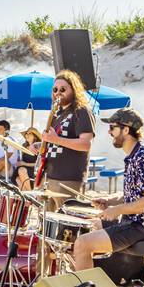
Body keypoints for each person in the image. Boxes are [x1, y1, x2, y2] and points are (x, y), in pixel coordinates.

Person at [73, 109, 144, 271]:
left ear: (126, 129)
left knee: (82, 244)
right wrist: (110, 202)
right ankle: (98, 282)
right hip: (134, 222)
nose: (109, 132)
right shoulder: (134, 156)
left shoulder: (143, 158)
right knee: (92, 225)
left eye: (112, 128)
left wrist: (117, 210)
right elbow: (136, 195)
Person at [39, 70, 94, 203]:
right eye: (55, 89)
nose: (58, 92)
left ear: (74, 89)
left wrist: (56, 139)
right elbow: (55, 142)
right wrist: (41, 145)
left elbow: (86, 144)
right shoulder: (56, 113)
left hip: (68, 178)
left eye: (63, 89)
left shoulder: (81, 111)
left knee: (64, 222)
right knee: (45, 221)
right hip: (49, 177)